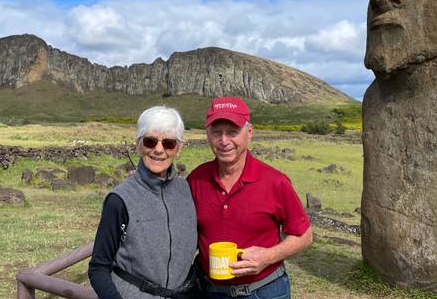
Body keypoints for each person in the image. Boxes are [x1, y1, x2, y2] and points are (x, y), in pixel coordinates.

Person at [187, 97, 313, 299]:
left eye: (232, 132)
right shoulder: (196, 179)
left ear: (250, 133)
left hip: (265, 291)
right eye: (216, 132)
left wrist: (268, 256)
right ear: (207, 134)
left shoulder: (275, 182)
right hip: (210, 291)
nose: (224, 141)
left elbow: (304, 235)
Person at [89, 106, 198, 299]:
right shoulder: (119, 200)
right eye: (150, 141)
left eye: (169, 143)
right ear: (138, 144)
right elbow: (98, 267)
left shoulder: (187, 191)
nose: (158, 150)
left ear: (179, 148)